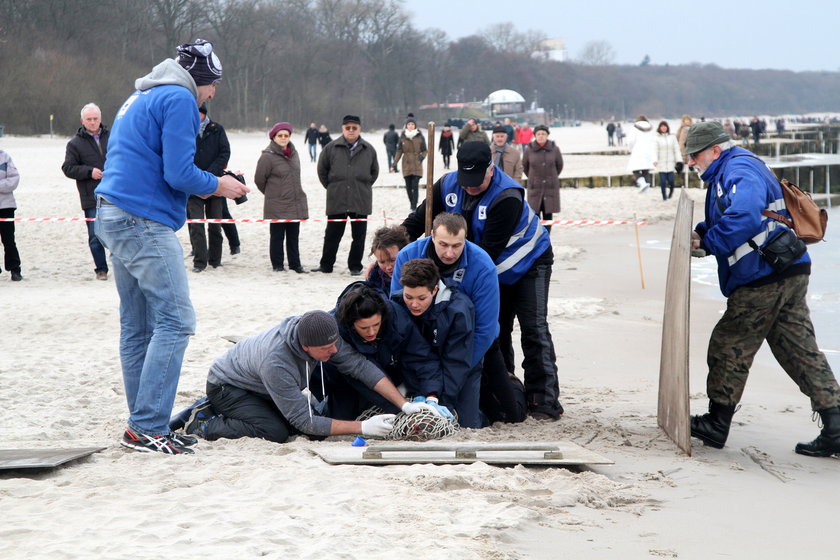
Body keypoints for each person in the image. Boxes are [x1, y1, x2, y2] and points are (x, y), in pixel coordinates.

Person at [94, 39, 249, 455]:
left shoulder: (141, 93)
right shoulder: (179, 97)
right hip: (141, 219)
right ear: (199, 78)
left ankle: (142, 425)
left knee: (138, 326)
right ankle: (147, 425)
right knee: (177, 321)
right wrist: (221, 184)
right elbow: (179, 173)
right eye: (213, 84)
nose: (213, 93)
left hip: (110, 211)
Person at [686, 121, 840, 458]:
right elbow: (734, 215)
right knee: (798, 349)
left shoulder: (736, 168)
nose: (691, 162)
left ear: (714, 149)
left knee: (730, 344)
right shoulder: (737, 166)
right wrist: (702, 232)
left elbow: (744, 217)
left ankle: (716, 423)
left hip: (764, 274)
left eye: (694, 155)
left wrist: (708, 243)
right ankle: (836, 426)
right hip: (789, 268)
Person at [400, 143, 561, 420]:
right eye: (466, 182)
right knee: (499, 326)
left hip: (529, 260)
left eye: (477, 183)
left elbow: (485, 254)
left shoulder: (507, 196)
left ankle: (544, 401)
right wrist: (395, 249)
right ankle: (509, 387)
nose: (470, 188)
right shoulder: (448, 185)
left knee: (533, 328)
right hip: (491, 263)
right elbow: (418, 220)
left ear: (491, 169)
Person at [181, 310, 440, 443]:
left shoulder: (321, 330)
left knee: (313, 427)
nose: (335, 351)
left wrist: (404, 404)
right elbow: (303, 421)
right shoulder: (277, 362)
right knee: (276, 432)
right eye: (327, 350)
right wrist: (363, 427)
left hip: (259, 384)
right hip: (227, 385)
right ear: (306, 348)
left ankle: (226, 412)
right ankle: (202, 422)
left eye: (334, 344)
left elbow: (360, 367)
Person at [393, 213, 527, 424]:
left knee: (506, 416)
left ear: (466, 239)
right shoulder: (408, 255)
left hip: (472, 344)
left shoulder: (483, 265)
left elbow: (486, 329)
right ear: (431, 236)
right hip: (424, 342)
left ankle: (511, 386)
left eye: (457, 246)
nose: (449, 253)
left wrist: (450, 377)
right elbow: (400, 311)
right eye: (443, 244)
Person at [321, 283, 446, 421]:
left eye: (376, 325)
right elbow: (364, 374)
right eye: (364, 328)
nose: (372, 332)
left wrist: (431, 395)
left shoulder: (395, 316)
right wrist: (400, 409)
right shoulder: (334, 330)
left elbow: (422, 357)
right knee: (343, 418)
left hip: (388, 368)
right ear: (351, 324)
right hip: (342, 380)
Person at [393, 258, 482, 428]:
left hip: (457, 368)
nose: (414, 304)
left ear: (434, 290)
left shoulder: (458, 310)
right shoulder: (397, 303)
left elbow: (457, 362)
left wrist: (441, 401)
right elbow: (407, 354)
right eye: (408, 296)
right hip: (417, 371)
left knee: (466, 424)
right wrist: (420, 392)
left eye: (421, 298)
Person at [313, 115, 378, 276]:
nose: (351, 130)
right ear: (342, 129)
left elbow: (374, 173)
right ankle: (326, 265)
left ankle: (355, 266)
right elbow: (322, 171)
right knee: (332, 235)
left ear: (359, 129)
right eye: (347, 127)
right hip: (337, 199)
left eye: (354, 128)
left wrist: (361, 186)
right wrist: (333, 187)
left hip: (360, 200)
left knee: (359, 236)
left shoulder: (368, 149)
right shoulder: (331, 148)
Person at [61, 102, 110, 280]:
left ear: (100, 119)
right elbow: (68, 168)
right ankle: (101, 269)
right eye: (89, 119)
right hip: (91, 195)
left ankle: (123, 266)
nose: (92, 122)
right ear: (82, 121)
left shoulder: (112, 137)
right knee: (95, 236)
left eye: (95, 118)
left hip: (116, 194)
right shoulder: (74, 144)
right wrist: (89, 172)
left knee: (120, 233)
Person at [254, 122, 308, 273]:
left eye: (286, 135)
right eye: (280, 135)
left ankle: (295, 265)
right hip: (277, 204)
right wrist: (272, 194)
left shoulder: (294, 153)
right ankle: (277, 265)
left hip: (294, 202)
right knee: (277, 237)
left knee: (293, 237)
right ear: (274, 137)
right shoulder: (267, 156)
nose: (283, 138)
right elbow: (259, 180)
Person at [187, 103, 230, 272]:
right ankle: (199, 261)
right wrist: (195, 175)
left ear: (203, 113)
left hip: (215, 183)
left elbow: (225, 152)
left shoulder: (217, 129)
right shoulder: (185, 129)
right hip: (193, 184)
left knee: (215, 224)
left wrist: (211, 173)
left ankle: (215, 259)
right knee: (196, 225)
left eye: (198, 113)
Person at [522, 124, 563, 232]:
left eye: (543, 134)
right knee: (535, 216)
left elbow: (559, 165)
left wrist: (551, 177)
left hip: (550, 187)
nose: (541, 136)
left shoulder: (554, 149)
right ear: (535, 135)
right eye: (538, 134)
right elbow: (525, 166)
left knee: (548, 215)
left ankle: (547, 238)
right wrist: (533, 178)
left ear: (547, 135)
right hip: (535, 187)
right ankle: (537, 240)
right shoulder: (529, 149)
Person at [393, 115, 427, 211]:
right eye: (409, 124)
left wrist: (421, 157)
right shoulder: (402, 137)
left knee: (415, 186)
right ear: (406, 125)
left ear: (415, 125)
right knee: (408, 187)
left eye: (412, 124)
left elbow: (425, 150)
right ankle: (412, 203)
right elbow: (399, 150)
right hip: (406, 164)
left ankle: (414, 206)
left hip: (417, 164)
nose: (411, 126)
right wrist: (395, 162)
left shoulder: (420, 137)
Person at [366, 225, 410, 296]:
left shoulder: (415, 278)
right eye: (382, 262)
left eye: (392, 260)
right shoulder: (374, 280)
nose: (388, 267)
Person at [0, 148, 22, 281]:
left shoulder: (5, 157)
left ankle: (15, 269)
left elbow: (14, 179)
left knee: (8, 240)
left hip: (5, 206)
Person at [653, 120, 682, 200]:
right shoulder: (657, 138)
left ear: (667, 127)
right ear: (659, 128)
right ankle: (664, 196)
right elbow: (655, 150)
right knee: (662, 181)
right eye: (662, 126)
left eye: (665, 126)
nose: (663, 128)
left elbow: (676, 149)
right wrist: (655, 160)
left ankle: (670, 193)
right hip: (661, 163)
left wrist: (679, 160)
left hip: (670, 163)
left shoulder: (672, 137)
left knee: (671, 181)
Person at [627, 115, 655, 192]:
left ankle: (642, 183)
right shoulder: (651, 128)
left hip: (638, 150)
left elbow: (630, 141)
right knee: (646, 171)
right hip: (649, 151)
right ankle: (647, 186)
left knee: (635, 169)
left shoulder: (634, 127)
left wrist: (630, 149)